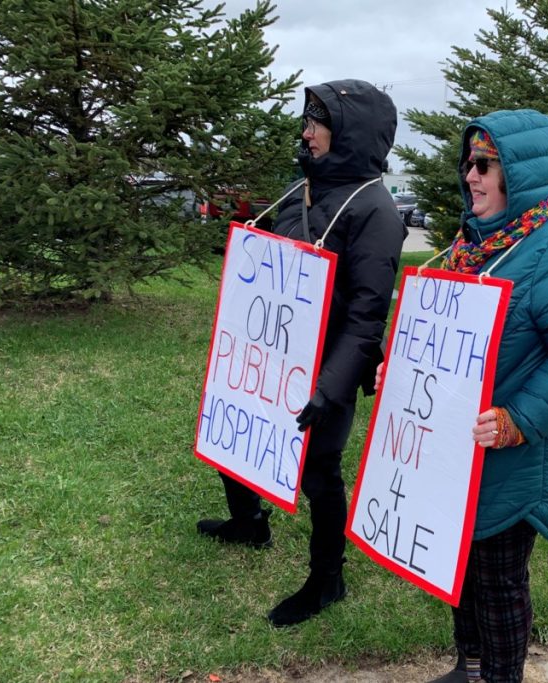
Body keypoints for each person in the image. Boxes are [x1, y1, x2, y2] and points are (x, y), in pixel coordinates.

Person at [376, 109, 548, 683]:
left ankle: (499, 676)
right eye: (469, 163)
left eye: (486, 165)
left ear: (523, 174)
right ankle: (472, 666)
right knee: (459, 565)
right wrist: (398, 372)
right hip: (457, 449)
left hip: (514, 454)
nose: (471, 176)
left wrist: (519, 419)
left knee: (499, 579)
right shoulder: (472, 243)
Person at [197, 79, 406, 627]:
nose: (306, 132)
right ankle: (248, 522)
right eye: (307, 121)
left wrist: (329, 387)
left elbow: (366, 317)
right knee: (235, 432)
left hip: (325, 369)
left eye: (317, 123)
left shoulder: (377, 213)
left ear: (348, 135)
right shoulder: (301, 190)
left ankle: (326, 579)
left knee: (319, 473)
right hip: (271, 358)